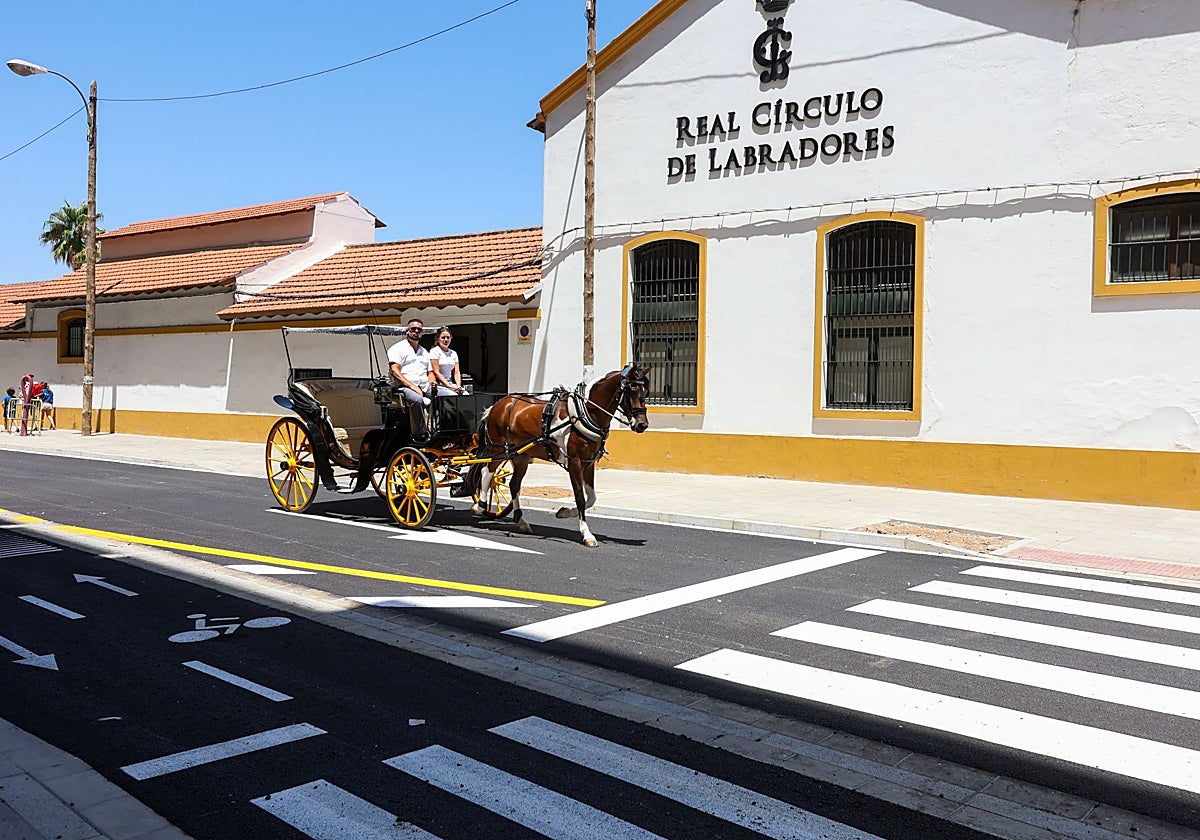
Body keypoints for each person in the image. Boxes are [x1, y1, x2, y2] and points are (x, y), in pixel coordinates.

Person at [387, 318, 435, 441]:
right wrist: (412, 387)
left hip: (424, 386)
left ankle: (439, 430)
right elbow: (395, 372)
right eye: (413, 329)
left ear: (422, 333)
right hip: (403, 387)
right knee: (417, 400)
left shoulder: (424, 352)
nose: (416, 331)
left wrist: (432, 382)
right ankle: (420, 435)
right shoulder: (397, 348)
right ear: (407, 331)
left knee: (446, 396)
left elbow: (430, 372)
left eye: (419, 330)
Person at [430, 326, 466, 396]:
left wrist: (458, 386)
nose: (446, 340)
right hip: (439, 384)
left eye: (448, 337)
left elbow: (456, 372)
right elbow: (436, 372)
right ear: (438, 339)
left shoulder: (453, 353)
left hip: (451, 383)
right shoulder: (434, 351)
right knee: (453, 396)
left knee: (466, 395)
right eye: (443, 337)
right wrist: (449, 386)